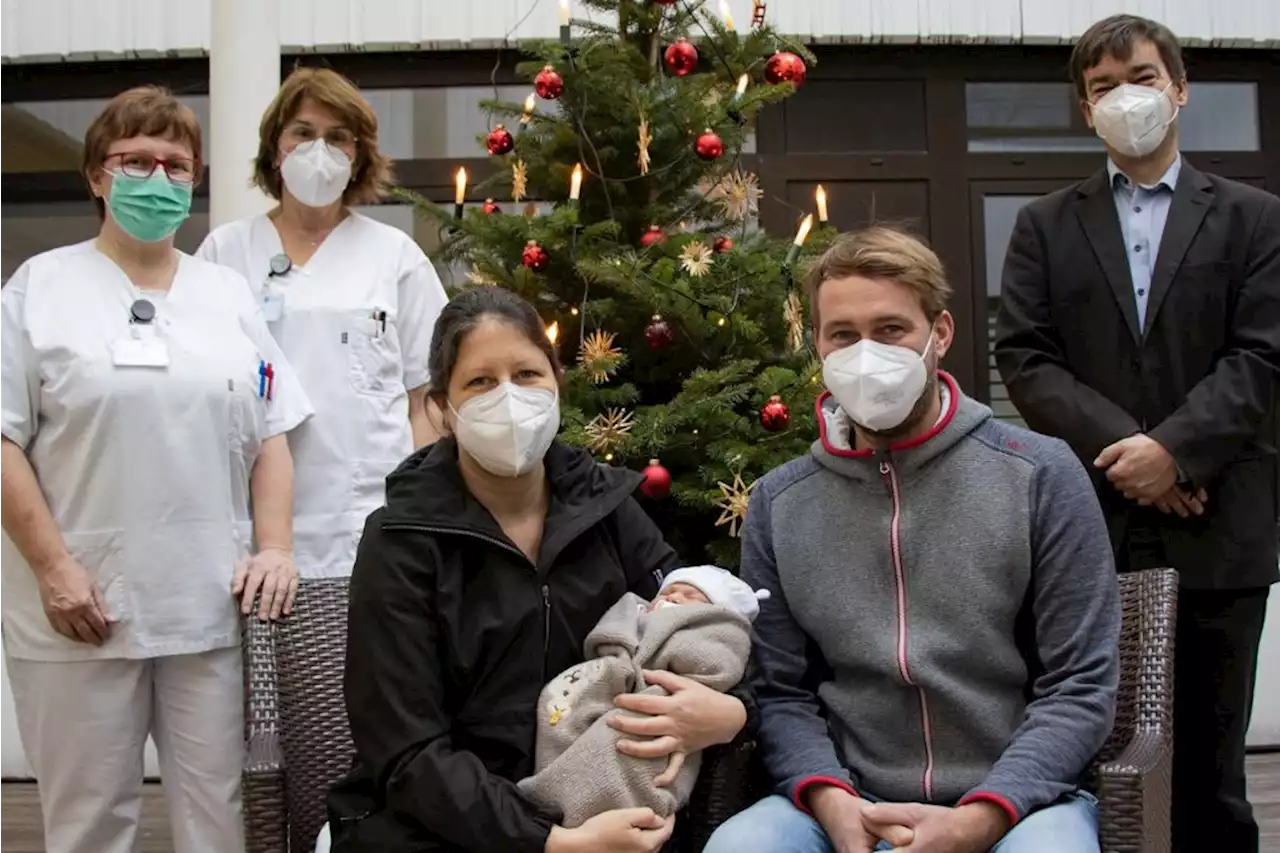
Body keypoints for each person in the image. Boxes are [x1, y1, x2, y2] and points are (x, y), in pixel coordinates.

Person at [703, 227, 1122, 853]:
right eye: (842, 334)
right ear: (816, 343)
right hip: (846, 797)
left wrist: (983, 816)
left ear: (940, 334)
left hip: (1023, 801)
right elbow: (779, 690)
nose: (865, 352)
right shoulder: (778, 502)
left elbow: (1081, 683)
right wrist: (831, 800)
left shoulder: (1039, 473)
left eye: (891, 329)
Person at [325, 285, 749, 852]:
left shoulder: (609, 510)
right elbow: (406, 751)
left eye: (527, 374)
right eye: (480, 382)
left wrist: (732, 713)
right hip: (441, 828)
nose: (508, 397)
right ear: (442, 410)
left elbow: (693, 621)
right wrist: (550, 843)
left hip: (602, 803)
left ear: (556, 386)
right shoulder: (400, 541)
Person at [993, 15, 1280, 851]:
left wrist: (1180, 451)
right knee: (1102, 760)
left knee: (1212, 773)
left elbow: (1262, 357)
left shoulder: (1255, 218)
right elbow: (1025, 355)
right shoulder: (1045, 223)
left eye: (1144, 78)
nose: (1127, 99)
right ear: (1085, 111)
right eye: (1104, 87)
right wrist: (1135, 452)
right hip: (1095, 528)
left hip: (1220, 523)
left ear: (1181, 89)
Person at [0, 86, 311, 853]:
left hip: (207, 604)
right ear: (97, 177)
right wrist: (53, 568)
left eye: (176, 164)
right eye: (135, 160)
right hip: (80, 607)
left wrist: (274, 547)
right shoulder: (39, 289)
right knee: (91, 822)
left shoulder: (227, 295)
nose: (158, 177)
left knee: (220, 816)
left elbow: (271, 430)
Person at [197, 67, 449, 579]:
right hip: (254, 527)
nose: (320, 150)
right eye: (304, 133)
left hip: (370, 516)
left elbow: (428, 396)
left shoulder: (394, 255)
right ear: (275, 149)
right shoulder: (226, 252)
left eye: (338, 138)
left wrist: (416, 501)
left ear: (358, 156)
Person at [519, 565, 768, 827]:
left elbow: (717, 664)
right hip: (611, 694)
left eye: (690, 595)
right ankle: (555, 794)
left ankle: (585, 802)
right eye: (668, 592)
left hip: (664, 709)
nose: (673, 598)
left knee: (625, 745)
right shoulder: (633, 618)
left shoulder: (713, 633)